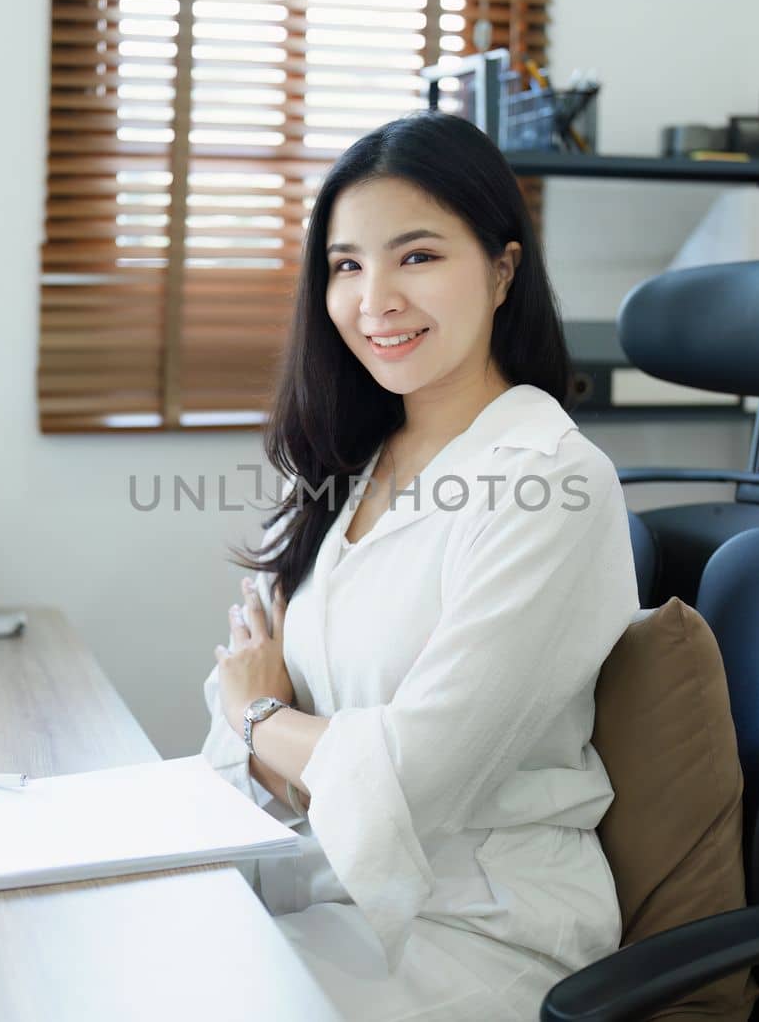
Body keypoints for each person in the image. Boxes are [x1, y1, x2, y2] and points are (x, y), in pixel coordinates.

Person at [201, 110, 638, 1021]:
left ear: (504, 269)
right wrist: (270, 734)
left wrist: (259, 714)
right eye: (348, 265)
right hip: (327, 891)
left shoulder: (553, 481)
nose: (376, 300)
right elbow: (247, 741)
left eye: (418, 256)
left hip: (481, 933)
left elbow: (410, 774)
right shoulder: (353, 466)